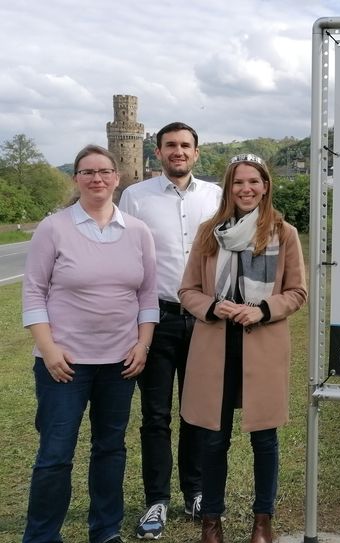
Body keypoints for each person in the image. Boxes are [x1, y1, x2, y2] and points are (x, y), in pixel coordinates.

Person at [21, 145, 158, 543]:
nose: (96, 178)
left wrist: (142, 345)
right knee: (55, 456)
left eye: (104, 171)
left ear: (117, 178)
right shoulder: (54, 227)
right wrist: (48, 349)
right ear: (76, 178)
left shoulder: (137, 231)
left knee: (110, 450)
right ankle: (42, 536)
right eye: (87, 172)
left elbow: (148, 296)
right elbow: (33, 293)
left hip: (120, 363)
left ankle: (105, 530)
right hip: (64, 364)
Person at [178, 153, 307, 543]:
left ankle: (262, 521)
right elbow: (187, 291)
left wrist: (264, 309)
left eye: (254, 181)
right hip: (215, 346)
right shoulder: (208, 232)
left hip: (262, 346)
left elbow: (297, 292)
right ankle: (211, 521)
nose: (246, 189)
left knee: (264, 439)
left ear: (266, 185)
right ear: (228, 188)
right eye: (238, 182)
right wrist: (213, 306)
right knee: (214, 438)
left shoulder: (284, 233)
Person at [119, 122, 222, 538]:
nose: (178, 152)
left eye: (185, 145)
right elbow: (123, 258)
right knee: (155, 415)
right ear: (157, 152)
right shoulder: (135, 198)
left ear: (197, 152)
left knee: (198, 412)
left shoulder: (216, 196)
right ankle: (156, 501)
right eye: (170, 146)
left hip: (205, 321)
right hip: (156, 320)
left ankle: (195, 492)